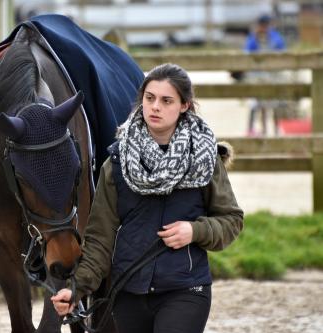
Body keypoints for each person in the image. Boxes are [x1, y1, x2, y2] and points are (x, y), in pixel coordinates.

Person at [51, 63, 244, 333]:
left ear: (184, 105)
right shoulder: (117, 161)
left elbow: (231, 220)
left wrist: (195, 230)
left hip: (186, 289)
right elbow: (100, 237)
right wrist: (77, 288)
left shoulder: (205, 159)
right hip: (129, 290)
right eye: (149, 98)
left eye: (167, 101)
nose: (155, 107)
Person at [244, 14, 286, 136]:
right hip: (258, 76)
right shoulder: (254, 37)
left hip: (272, 75)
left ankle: (277, 130)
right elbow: (247, 52)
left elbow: (281, 50)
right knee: (258, 104)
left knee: (275, 104)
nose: (263, 27)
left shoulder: (274, 36)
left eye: (265, 25)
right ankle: (262, 130)